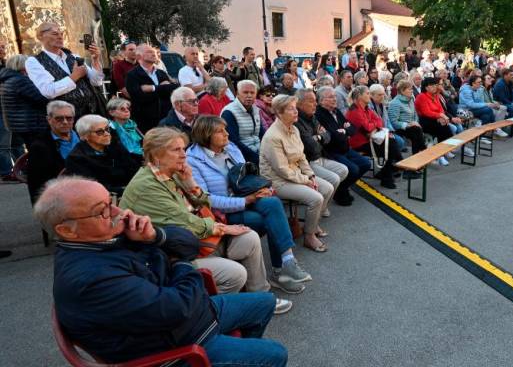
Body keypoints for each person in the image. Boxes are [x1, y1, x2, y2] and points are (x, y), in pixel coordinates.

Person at [38, 177, 288, 366]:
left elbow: (191, 244)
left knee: (264, 302)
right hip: (175, 345)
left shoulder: (106, 235)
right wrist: (180, 262)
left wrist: (156, 235)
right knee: (276, 354)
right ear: (67, 231)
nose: (118, 212)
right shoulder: (91, 277)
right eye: (101, 210)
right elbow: (178, 307)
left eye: (111, 201)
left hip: (187, 317)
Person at [120, 128, 282, 305]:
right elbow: (186, 222)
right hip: (175, 255)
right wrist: (224, 228)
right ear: (156, 155)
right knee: (235, 273)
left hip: (201, 240)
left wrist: (190, 181)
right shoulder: (147, 186)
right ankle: (208, 312)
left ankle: (260, 296)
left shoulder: (173, 172)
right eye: (176, 150)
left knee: (248, 236)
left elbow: (205, 205)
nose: (184, 155)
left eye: (183, 148)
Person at [186, 115, 311, 294]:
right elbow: (207, 200)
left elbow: (246, 176)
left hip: (246, 197)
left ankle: (287, 262)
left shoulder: (231, 148)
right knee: (266, 220)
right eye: (220, 131)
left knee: (273, 202)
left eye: (225, 129)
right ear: (206, 135)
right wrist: (246, 200)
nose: (227, 134)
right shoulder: (193, 160)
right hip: (223, 213)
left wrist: (260, 190)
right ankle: (280, 271)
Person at [260, 95, 334, 252]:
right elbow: (281, 169)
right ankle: (309, 236)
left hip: (294, 174)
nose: (296, 111)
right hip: (277, 181)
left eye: (295, 108)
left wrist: (311, 175)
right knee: (316, 197)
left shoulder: (293, 129)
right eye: (291, 109)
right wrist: (305, 180)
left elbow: (301, 157)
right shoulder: (272, 136)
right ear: (279, 113)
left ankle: (312, 224)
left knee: (327, 188)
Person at [25, 22, 106, 119]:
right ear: (40, 36)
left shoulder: (74, 57)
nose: (60, 37)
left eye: (61, 34)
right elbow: (48, 91)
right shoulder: (34, 62)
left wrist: (95, 59)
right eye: (55, 34)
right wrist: (74, 77)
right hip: (67, 119)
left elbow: (97, 81)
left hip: (93, 112)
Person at [295, 89, 351, 206]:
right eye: (311, 101)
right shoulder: (297, 121)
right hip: (309, 161)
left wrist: (319, 137)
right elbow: (311, 146)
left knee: (344, 170)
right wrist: (321, 137)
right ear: (299, 103)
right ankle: (322, 203)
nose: (315, 104)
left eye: (315, 101)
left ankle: (325, 201)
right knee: (334, 179)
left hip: (322, 155)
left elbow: (328, 136)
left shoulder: (313, 117)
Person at [315, 86, 371, 202]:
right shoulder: (319, 115)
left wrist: (344, 131)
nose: (335, 99)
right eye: (330, 97)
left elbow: (352, 129)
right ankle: (340, 191)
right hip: (332, 151)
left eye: (335, 96)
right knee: (353, 169)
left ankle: (343, 187)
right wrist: (344, 131)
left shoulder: (336, 111)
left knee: (365, 164)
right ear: (321, 101)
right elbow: (332, 136)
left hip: (345, 148)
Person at [64, 115, 140, 194]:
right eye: (99, 132)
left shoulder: (114, 145)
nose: (107, 134)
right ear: (85, 136)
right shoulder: (76, 158)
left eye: (107, 129)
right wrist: (128, 190)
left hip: (129, 189)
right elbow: (92, 188)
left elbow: (133, 168)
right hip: (104, 196)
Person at [346, 86, 404, 189]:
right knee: (390, 146)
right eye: (367, 93)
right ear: (360, 96)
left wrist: (373, 127)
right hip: (359, 143)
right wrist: (373, 126)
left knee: (391, 143)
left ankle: (388, 173)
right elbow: (367, 128)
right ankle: (389, 173)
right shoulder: (354, 111)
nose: (370, 96)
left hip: (370, 139)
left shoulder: (366, 108)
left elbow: (379, 121)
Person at [27, 101, 78, 202]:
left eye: (69, 118)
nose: (65, 122)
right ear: (49, 119)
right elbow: (38, 185)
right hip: (61, 196)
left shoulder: (83, 136)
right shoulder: (40, 147)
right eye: (59, 118)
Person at [126, 43, 178, 132]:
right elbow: (139, 97)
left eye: (154, 52)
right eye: (149, 52)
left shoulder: (161, 72)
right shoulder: (132, 75)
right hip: (145, 120)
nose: (154, 54)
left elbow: (174, 88)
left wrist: (152, 88)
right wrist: (162, 88)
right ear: (139, 57)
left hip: (166, 117)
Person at [0, 54, 47, 151]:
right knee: (39, 151)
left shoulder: (8, 79)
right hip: (30, 124)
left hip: (18, 124)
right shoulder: (20, 80)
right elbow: (40, 98)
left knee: (20, 149)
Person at [388, 80, 436, 163]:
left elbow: (415, 115)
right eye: (409, 89)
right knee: (416, 131)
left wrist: (416, 122)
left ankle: (418, 157)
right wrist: (408, 124)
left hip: (413, 126)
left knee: (417, 130)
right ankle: (422, 153)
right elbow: (394, 122)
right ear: (402, 91)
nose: (412, 91)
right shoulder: (395, 103)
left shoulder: (410, 99)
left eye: (411, 89)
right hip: (400, 128)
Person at [221, 80, 262, 164]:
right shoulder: (229, 112)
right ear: (237, 94)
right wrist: (257, 158)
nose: (249, 96)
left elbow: (261, 133)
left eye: (252, 93)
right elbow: (233, 142)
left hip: (260, 152)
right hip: (242, 157)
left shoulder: (255, 109)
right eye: (245, 92)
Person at [414, 77, 456, 148]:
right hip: (424, 120)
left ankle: (444, 148)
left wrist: (441, 117)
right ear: (426, 87)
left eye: (435, 85)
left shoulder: (435, 95)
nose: (435, 87)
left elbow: (441, 109)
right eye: (432, 85)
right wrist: (440, 115)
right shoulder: (421, 96)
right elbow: (426, 112)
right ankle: (443, 149)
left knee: (444, 124)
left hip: (435, 119)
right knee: (442, 127)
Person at [368, 84, 406, 151]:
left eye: (383, 94)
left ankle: (392, 158)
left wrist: (390, 131)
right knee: (397, 143)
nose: (382, 97)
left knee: (400, 142)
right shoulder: (368, 106)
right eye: (379, 95)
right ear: (371, 95)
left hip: (385, 130)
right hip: (375, 133)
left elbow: (387, 120)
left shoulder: (381, 104)